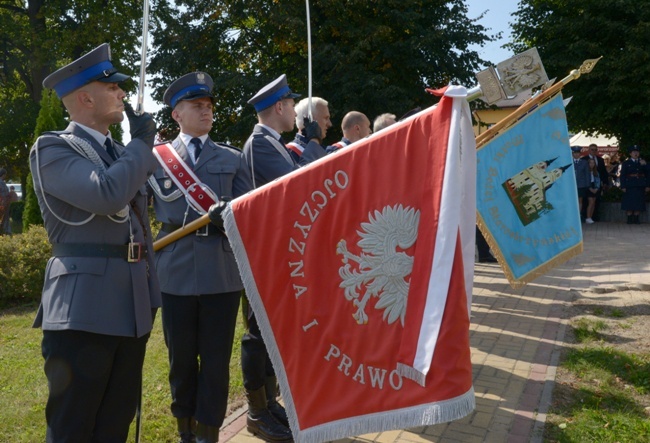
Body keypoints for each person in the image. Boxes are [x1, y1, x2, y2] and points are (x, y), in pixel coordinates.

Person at [30, 43, 161, 442]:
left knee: (113, 423)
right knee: (74, 426)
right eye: (112, 88)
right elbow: (106, 194)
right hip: (82, 307)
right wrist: (141, 144)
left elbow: (139, 224)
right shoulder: (54, 147)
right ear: (85, 97)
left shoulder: (119, 152)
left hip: (129, 303)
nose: (123, 93)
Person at [149, 72, 254, 443]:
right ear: (177, 114)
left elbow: (251, 212)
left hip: (220, 272)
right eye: (196, 106)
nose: (206, 111)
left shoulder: (231, 157)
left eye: (208, 105)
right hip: (174, 271)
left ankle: (209, 432)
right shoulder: (157, 159)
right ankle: (184, 430)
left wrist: (233, 213)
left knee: (215, 362)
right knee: (180, 360)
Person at [240, 74, 322, 442]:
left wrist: (305, 142)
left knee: (270, 335)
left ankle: (269, 404)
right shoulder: (260, 145)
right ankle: (256, 412)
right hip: (265, 257)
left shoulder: (274, 144)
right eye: (291, 105)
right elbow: (294, 190)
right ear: (279, 107)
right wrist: (307, 143)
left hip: (276, 256)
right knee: (258, 336)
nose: (294, 111)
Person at [286, 96, 332, 164]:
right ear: (310, 120)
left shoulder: (322, 149)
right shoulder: (292, 152)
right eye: (325, 118)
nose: (329, 124)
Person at [619, 145, 649, 224]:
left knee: (638, 201)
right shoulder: (626, 163)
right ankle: (629, 218)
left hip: (640, 184)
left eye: (637, 152)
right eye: (634, 152)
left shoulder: (642, 162)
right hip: (630, 184)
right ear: (630, 153)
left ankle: (636, 218)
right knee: (629, 201)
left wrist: (647, 185)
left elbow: (648, 174)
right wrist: (623, 186)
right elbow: (622, 175)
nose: (636, 153)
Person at [581, 143, 609, 220]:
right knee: (587, 201)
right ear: (588, 150)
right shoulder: (584, 159)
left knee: (596, 201)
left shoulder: (600, 160)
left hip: (597, 183)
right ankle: (586, 216)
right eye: (592, 149)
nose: (594, 151)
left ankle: (594, 216)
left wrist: (605, 182)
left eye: (595, 149)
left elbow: (603, 172)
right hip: (587, 184)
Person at [571, 146, 590, 219]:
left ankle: (578, 215)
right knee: (572, 200)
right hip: (571, 185)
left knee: (580, 200)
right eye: (575, 153)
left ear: (580, 154)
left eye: (578, 153)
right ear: (572, 154)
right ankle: (572, 215)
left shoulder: (584, 162)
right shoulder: (570, 162)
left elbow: (587, 174)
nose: (576, 154)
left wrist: (587, 185)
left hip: (581, 184)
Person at [585, 157, 602, 224]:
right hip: (588, 187)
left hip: (594, 186)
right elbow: (585, 181)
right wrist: (590, 188)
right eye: (590, 163)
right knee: (591, 202)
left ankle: (590, 217)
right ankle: (588, 217)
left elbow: (598, 181)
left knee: (594, 202)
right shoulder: (586, 172)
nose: (592, 164)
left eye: (593, 163)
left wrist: (596, 188)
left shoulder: (596, 172)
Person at [0, 168, 9, 235]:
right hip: (2, 203)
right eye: (5, 175)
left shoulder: (2, 182)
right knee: (3, 218)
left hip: (3, 202)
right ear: (3, 175)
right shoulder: (1, 183)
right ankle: (4, 232)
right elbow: (4, 193)